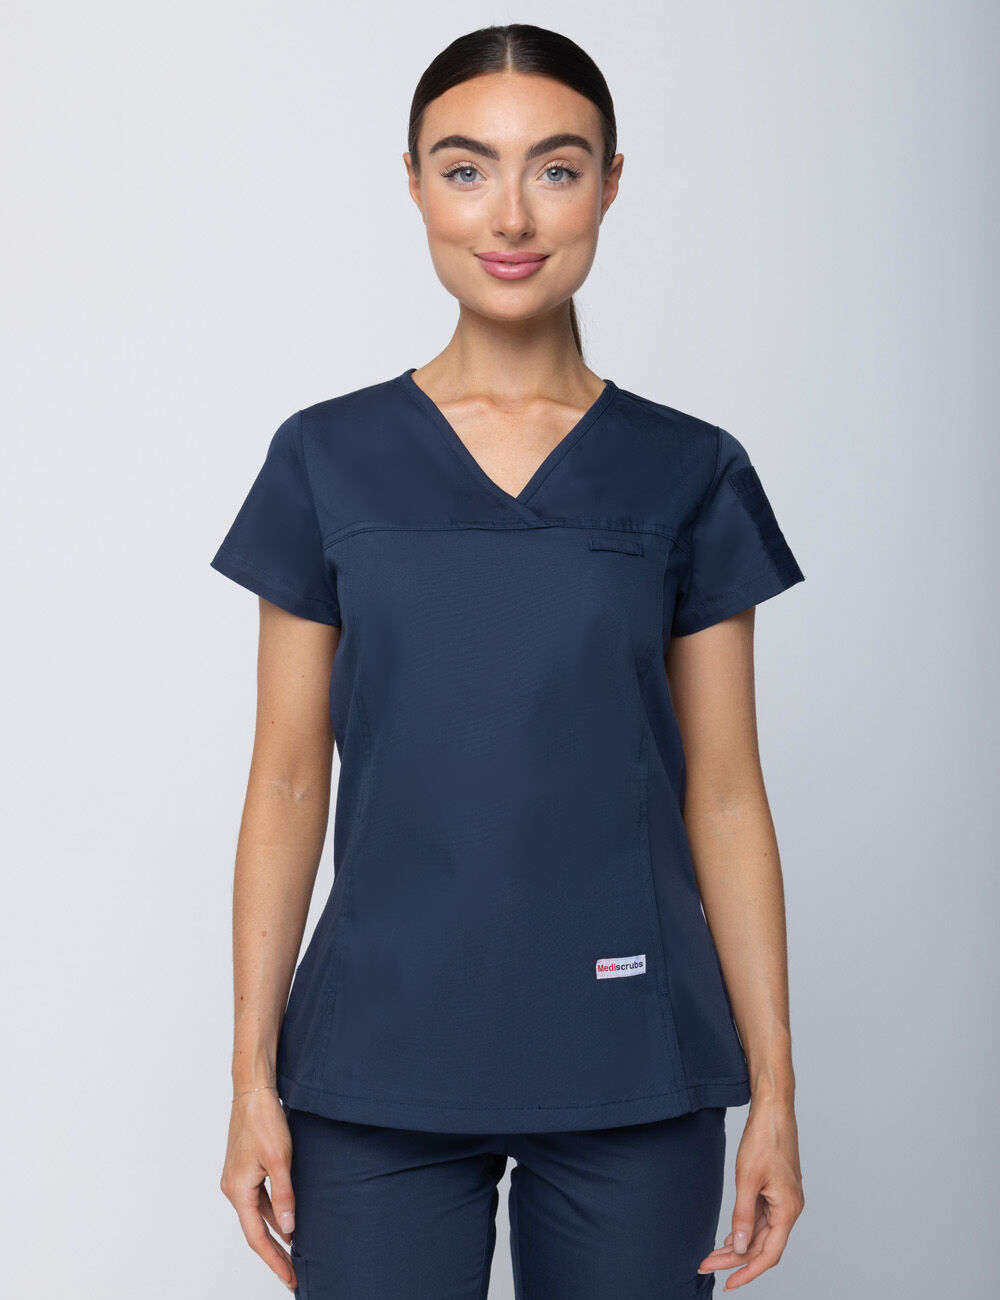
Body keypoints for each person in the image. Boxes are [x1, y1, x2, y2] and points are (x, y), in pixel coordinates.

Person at [213, 22, 806, 1300]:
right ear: (416, 185)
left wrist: (775, 1091)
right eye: (467, 167)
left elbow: (724, 792)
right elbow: (286, 782)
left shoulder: (688, 467)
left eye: (557, 167)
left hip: (632, 1049)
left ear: (609, 184)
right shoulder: (325, 457)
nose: (512, 214)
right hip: (375, 1057)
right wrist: (250, 1077)